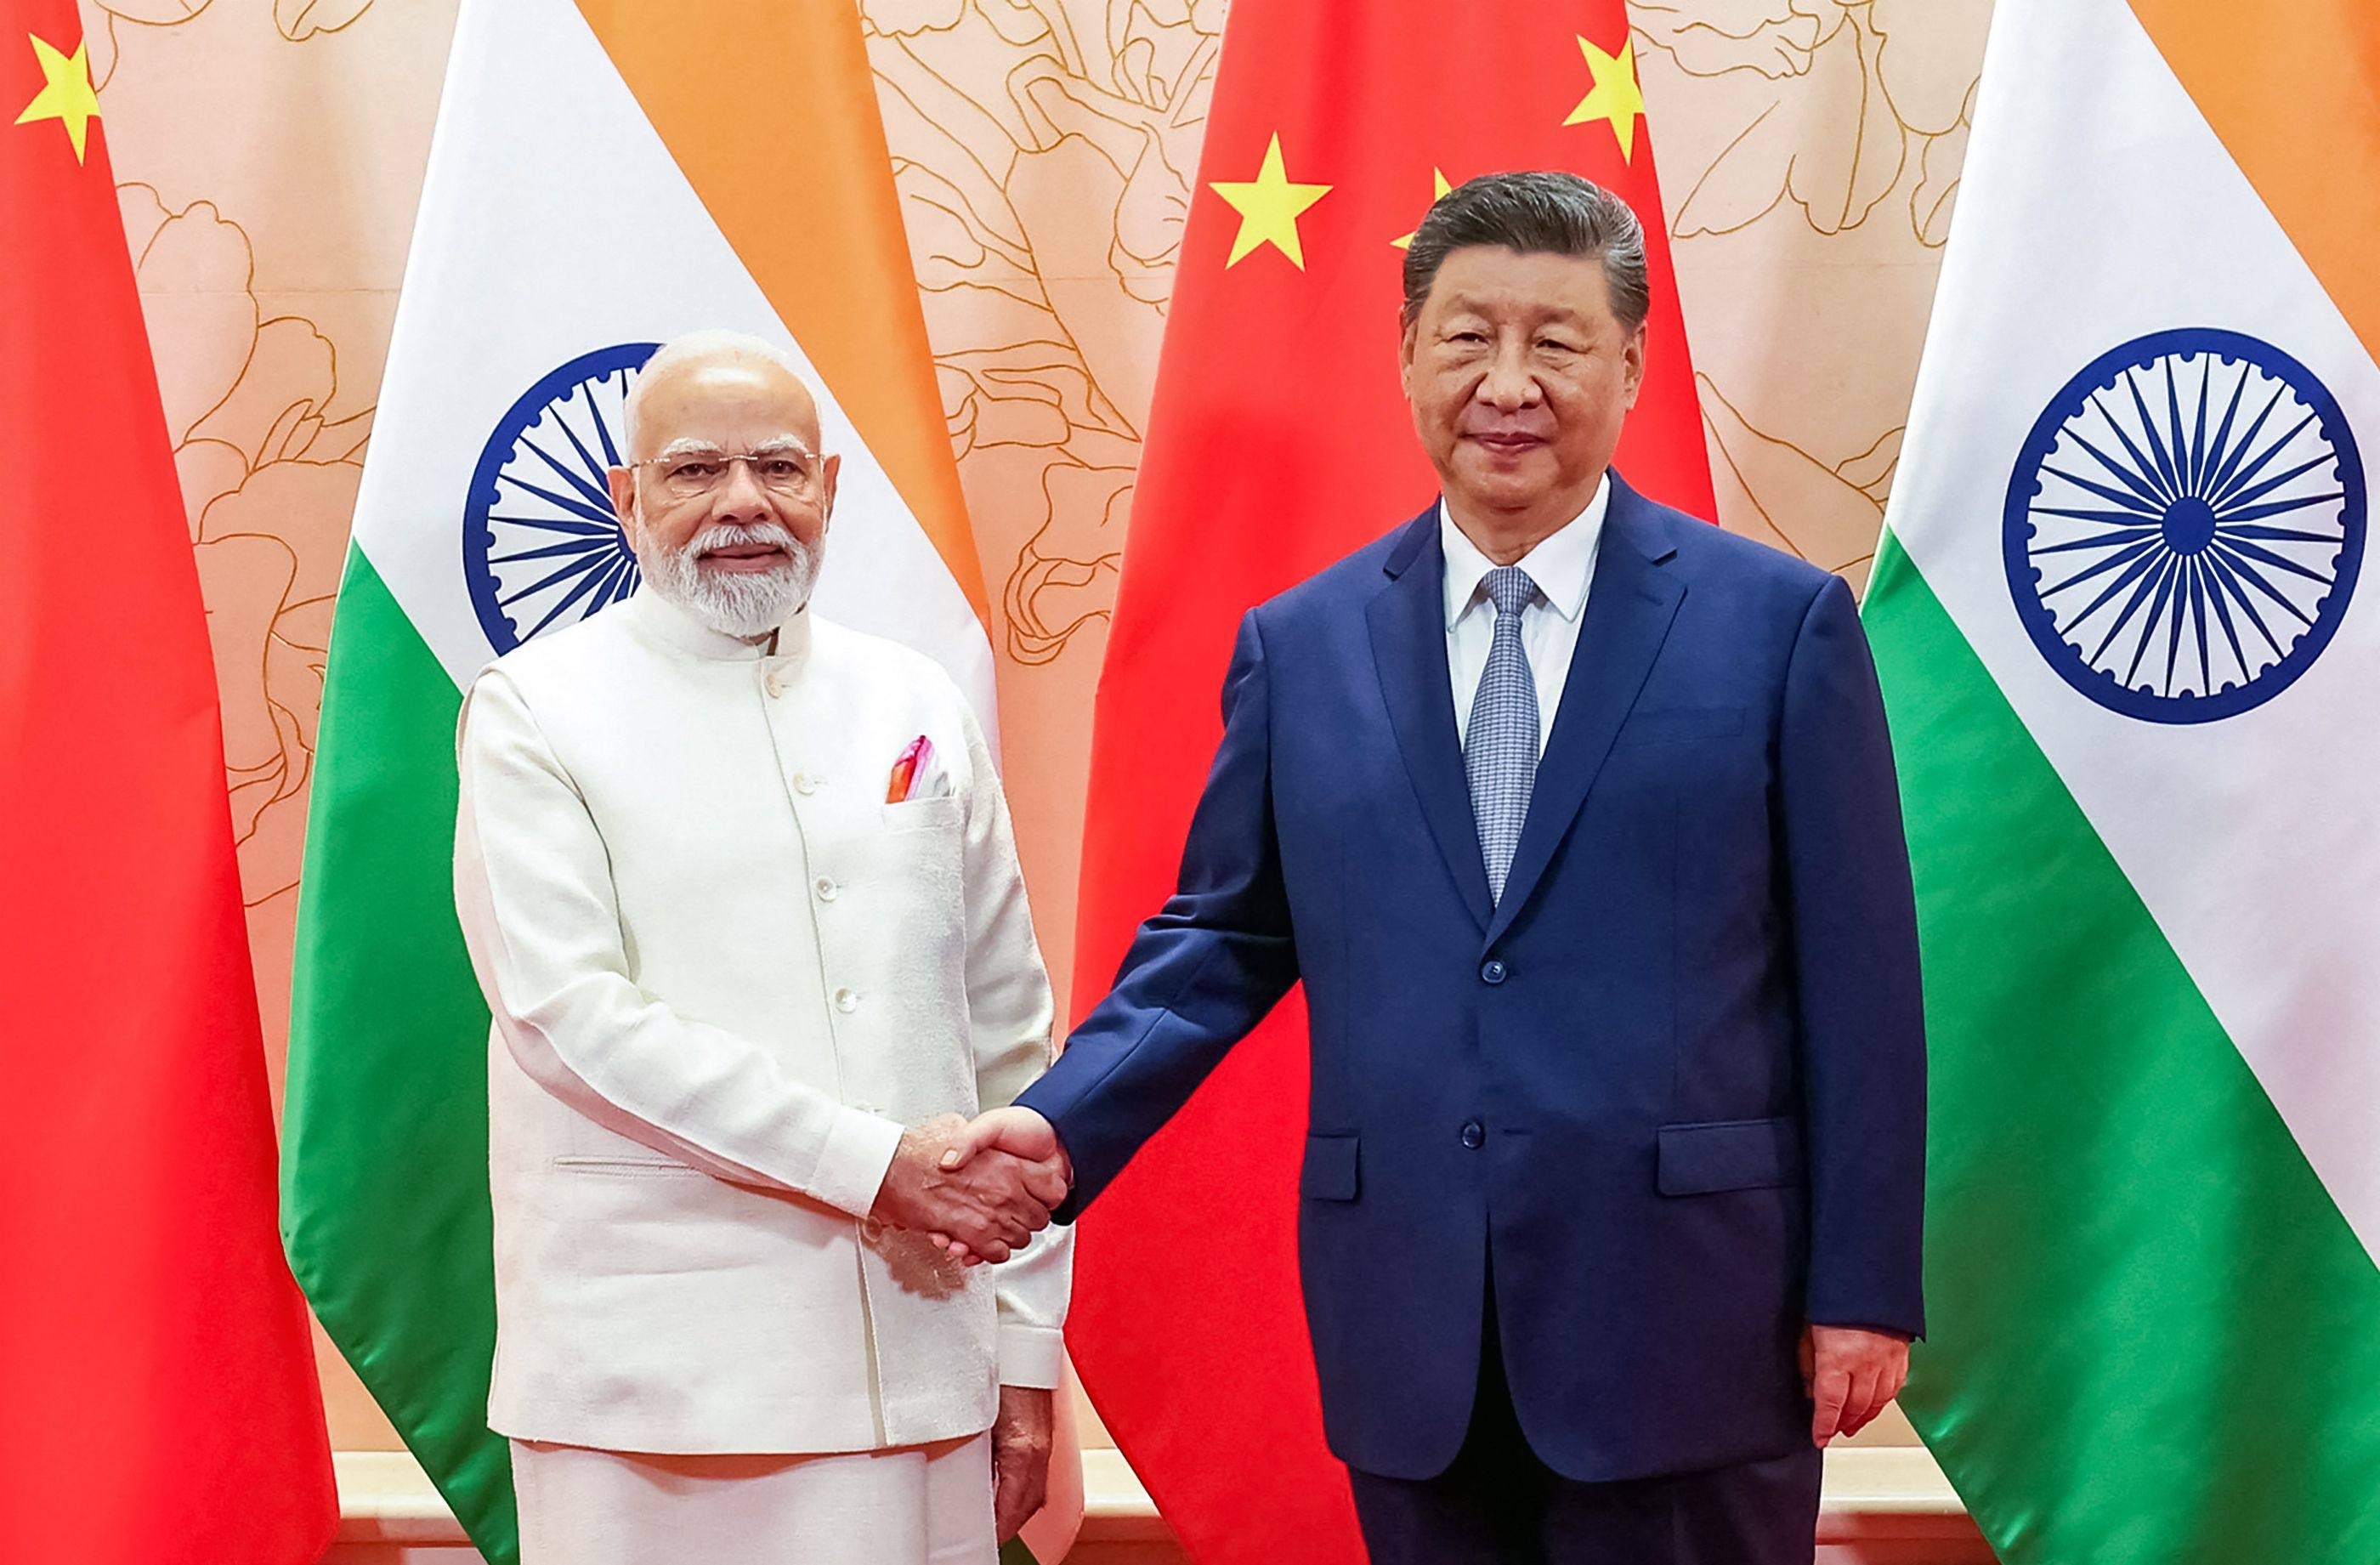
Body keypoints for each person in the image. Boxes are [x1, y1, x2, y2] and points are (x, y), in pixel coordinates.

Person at [951, 173, 1927, 1564]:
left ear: (1633, 363)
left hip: (1693, 1328)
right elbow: (1223, 936)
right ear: (1407, 356)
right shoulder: (1306, 643)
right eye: (1468, 338)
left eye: (1559, 340)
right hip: (1413, 1332)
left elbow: (1864, 988)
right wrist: (1061, 1127)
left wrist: (1864, 1285)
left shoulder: (1777, 628)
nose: (1509, 384)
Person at [451, 329, 1071, 1565]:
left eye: (779, 469)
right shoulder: (534, 709)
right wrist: (873, 1162)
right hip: (652, 1395)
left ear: (830, 491)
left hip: (920, 1371)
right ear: (627, 501)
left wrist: (1023, 1348)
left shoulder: (915, 703)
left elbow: (1008, 1041)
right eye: (695, 471)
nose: (744, 504)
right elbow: (568, 1014)